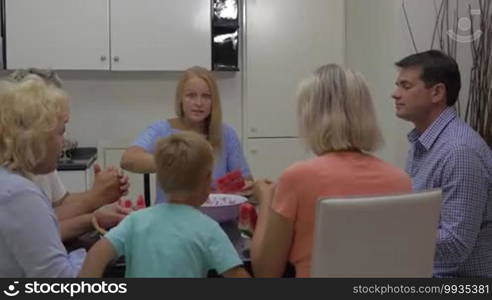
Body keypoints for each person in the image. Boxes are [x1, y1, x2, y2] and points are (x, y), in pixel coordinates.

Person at [250, 64, 412, 278]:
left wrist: (266, 198)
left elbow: (265, 273)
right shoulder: (400, 181)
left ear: (312, 116)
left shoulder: (297, 178)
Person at [80, 132, 250, 278]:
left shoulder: (135, 221)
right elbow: (236, 275)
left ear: (159, 178)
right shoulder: (208, 229)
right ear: (206, 180)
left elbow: (96, 255)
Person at [392, 50, 492, 277]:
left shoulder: (459, 152)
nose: (395, 94)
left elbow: (456, 243)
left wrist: (391, 236)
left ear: (437, 92)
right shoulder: (423, 143)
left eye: (405, 86)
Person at [8, 68, 131, 242]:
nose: (64, 139)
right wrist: (94, 202)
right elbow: (36, 232)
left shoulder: (39, 160)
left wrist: (99, 196)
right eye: (60, 128)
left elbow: (60, 204)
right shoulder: (12, 184)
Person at [121, 66, 253, 204]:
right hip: (171, 219)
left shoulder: (226, 133)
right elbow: (128, 159)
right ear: (180, 99)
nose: (199, 103)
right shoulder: (161, 129)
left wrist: (251, 189)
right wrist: (175, 164)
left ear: (214, 101)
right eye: (191, 95)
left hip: (217, 220)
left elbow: (246, 183)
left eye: (206, 96)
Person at [0, 74, 84, 276]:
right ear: (36, 137)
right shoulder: (19, 194)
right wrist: (98, 252)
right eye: (60, 132)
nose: (63, 143)